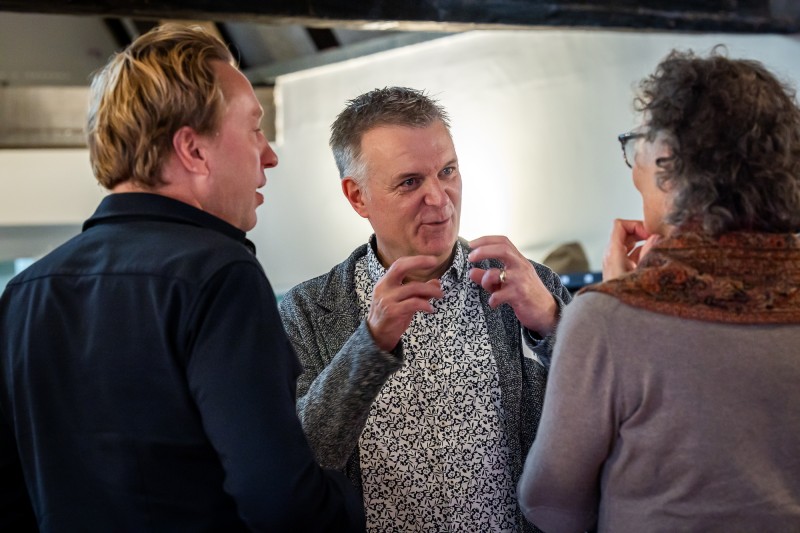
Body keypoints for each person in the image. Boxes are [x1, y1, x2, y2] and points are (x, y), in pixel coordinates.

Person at [0, 25, 364, 532]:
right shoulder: (220, 275)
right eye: (254, 128)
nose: (269, 155)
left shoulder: (26, 291)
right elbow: (280, 501)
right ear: (193, 150)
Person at [518, 49, 800, 532]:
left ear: (669, 162)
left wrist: (614, 305)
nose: (633, 169)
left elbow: (552, 507)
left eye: (637, 145)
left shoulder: (609, 320)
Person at [279, 86, 572, 532]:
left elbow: (602, 413)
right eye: (410, 182)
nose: (438, 198)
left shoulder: (525, 284)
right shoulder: (308, 311)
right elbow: (298, 463)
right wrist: (369, 346)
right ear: (357, 196)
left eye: (447, 171)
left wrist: (554, 325)